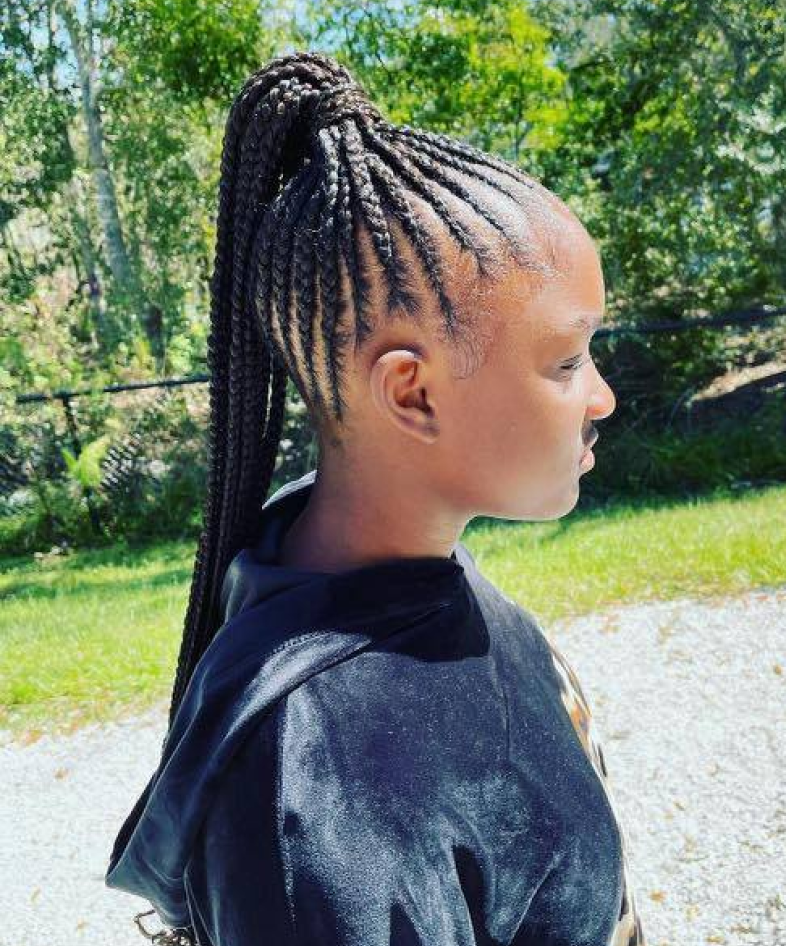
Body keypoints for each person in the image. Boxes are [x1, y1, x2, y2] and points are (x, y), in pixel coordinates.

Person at [105, 51, 646, 946]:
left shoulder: (427, 578)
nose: (601, 396)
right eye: (565, 360)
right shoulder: (315, 789)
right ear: (411, 395)